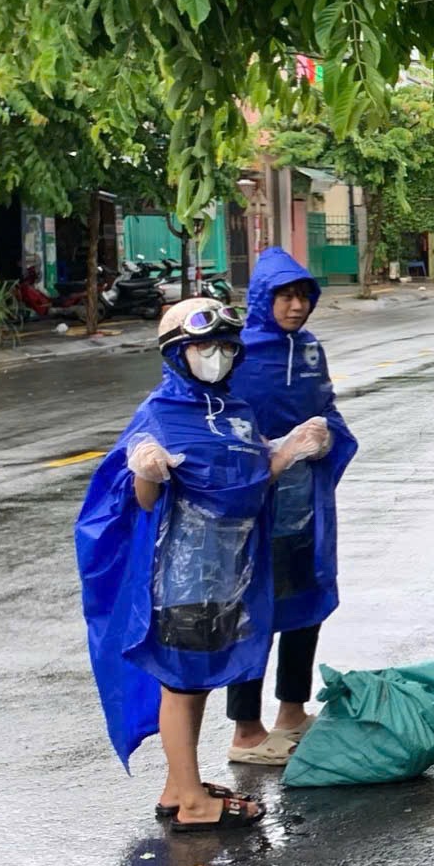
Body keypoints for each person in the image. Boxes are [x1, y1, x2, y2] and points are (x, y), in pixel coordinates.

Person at [77, 300, 332, 828]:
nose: (214, 356)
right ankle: (193, 803)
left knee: (193, 684)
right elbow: (143, 501)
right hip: (181, 577)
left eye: (224, 347)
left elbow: (248, 478)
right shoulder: (161, 414)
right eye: (202, 346)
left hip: (231, 573)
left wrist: (286, 449)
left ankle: (179, 785)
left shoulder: (235, 412)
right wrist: (146, 470)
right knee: (182, 685)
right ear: (177, 353)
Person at [223, 249, 358, 766]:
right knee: (252, 610)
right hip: (251, 504)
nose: (296, 306)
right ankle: (246, 729)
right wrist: (264, 452)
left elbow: (326, 407)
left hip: (303, 502)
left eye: (303, 295)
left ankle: (292, 711)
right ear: (263, 299)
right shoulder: (236, 351)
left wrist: (326, 435)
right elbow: (220, 421)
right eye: (285, 296)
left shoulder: (309, 351)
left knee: (304, 601)